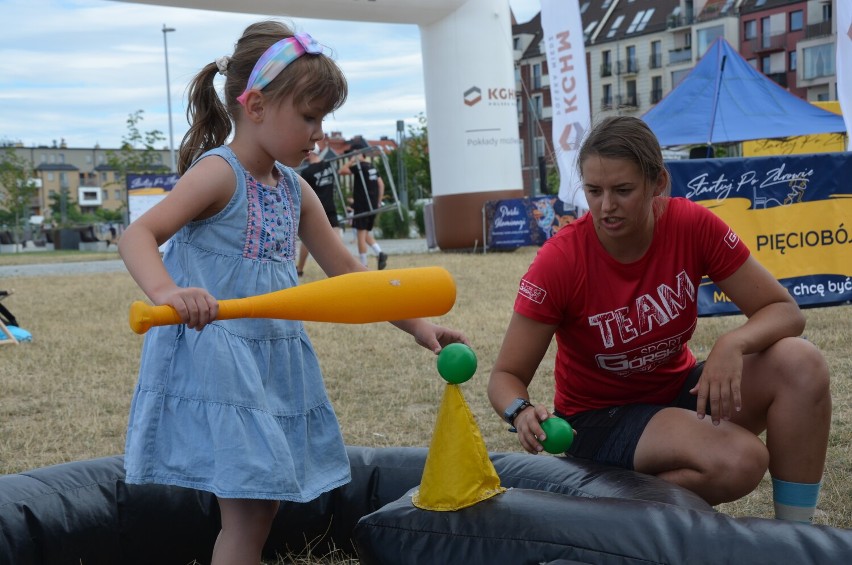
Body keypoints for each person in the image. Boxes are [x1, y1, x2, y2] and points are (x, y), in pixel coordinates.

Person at [118, 21, 469, 565]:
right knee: (251, 510)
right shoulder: (218, 175)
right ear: (255, 105)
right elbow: (138, 235)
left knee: (261, 507)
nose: (318, 132)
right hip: (221, 357)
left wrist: (421, 327)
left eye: (323, 119)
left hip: (272, 361)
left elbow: (353, 277)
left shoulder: (295, 190)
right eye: (309, 117)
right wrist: (170, 291)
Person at [487, 116, 831, 522]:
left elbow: (784, 310)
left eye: (623, 190)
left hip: (675, 392)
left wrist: (733, 343)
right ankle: (605, 511)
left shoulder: (689, 224)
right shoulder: (561, 259)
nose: (606, 206)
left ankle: (796, 538)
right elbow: (505, 375)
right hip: (600, 422)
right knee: (741, 460)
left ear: (658, 184)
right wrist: (521, 410)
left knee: (801, 363)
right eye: (593, 191)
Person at [338, 139, 388, 269]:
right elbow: (381, 184)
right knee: (365, 234)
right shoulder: (372, 167)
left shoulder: (359, 168)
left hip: (361, 205)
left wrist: (352, 160)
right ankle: (380, 253)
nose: (350, 156)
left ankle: (364, 264)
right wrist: (378, 202)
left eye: (352, 154)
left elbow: (341, 171)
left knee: (360, 235)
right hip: (372, 204)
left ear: (358, 153)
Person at [296, 149, 341, 276]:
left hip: (316, 209)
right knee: (336, 239)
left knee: (308, 241)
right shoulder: (329, 165)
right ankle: (339, 269)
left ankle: (300, 269)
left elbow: (303, 193)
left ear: (311, 154)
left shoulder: (307, 172)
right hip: (331, 206)